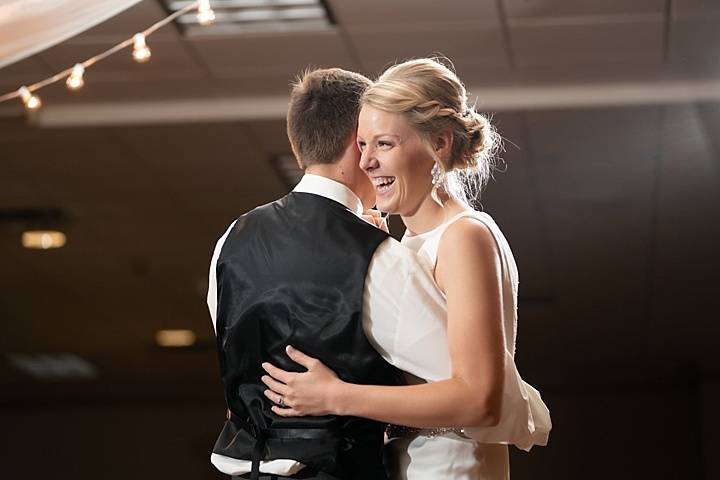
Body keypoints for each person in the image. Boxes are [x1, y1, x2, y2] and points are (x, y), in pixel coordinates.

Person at [260, 58, 551, 480]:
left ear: (441, 144)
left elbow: (480, 400)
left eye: (385, 144)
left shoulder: (464, 236)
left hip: (452, 467)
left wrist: (337, 396)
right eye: (362, 145)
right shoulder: (406, 245)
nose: (365, 163)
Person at [207, 67, 458, 480]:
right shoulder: (379, 257)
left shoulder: (231, 239)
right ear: (352, 142)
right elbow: (459, 387)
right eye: (370, 140)